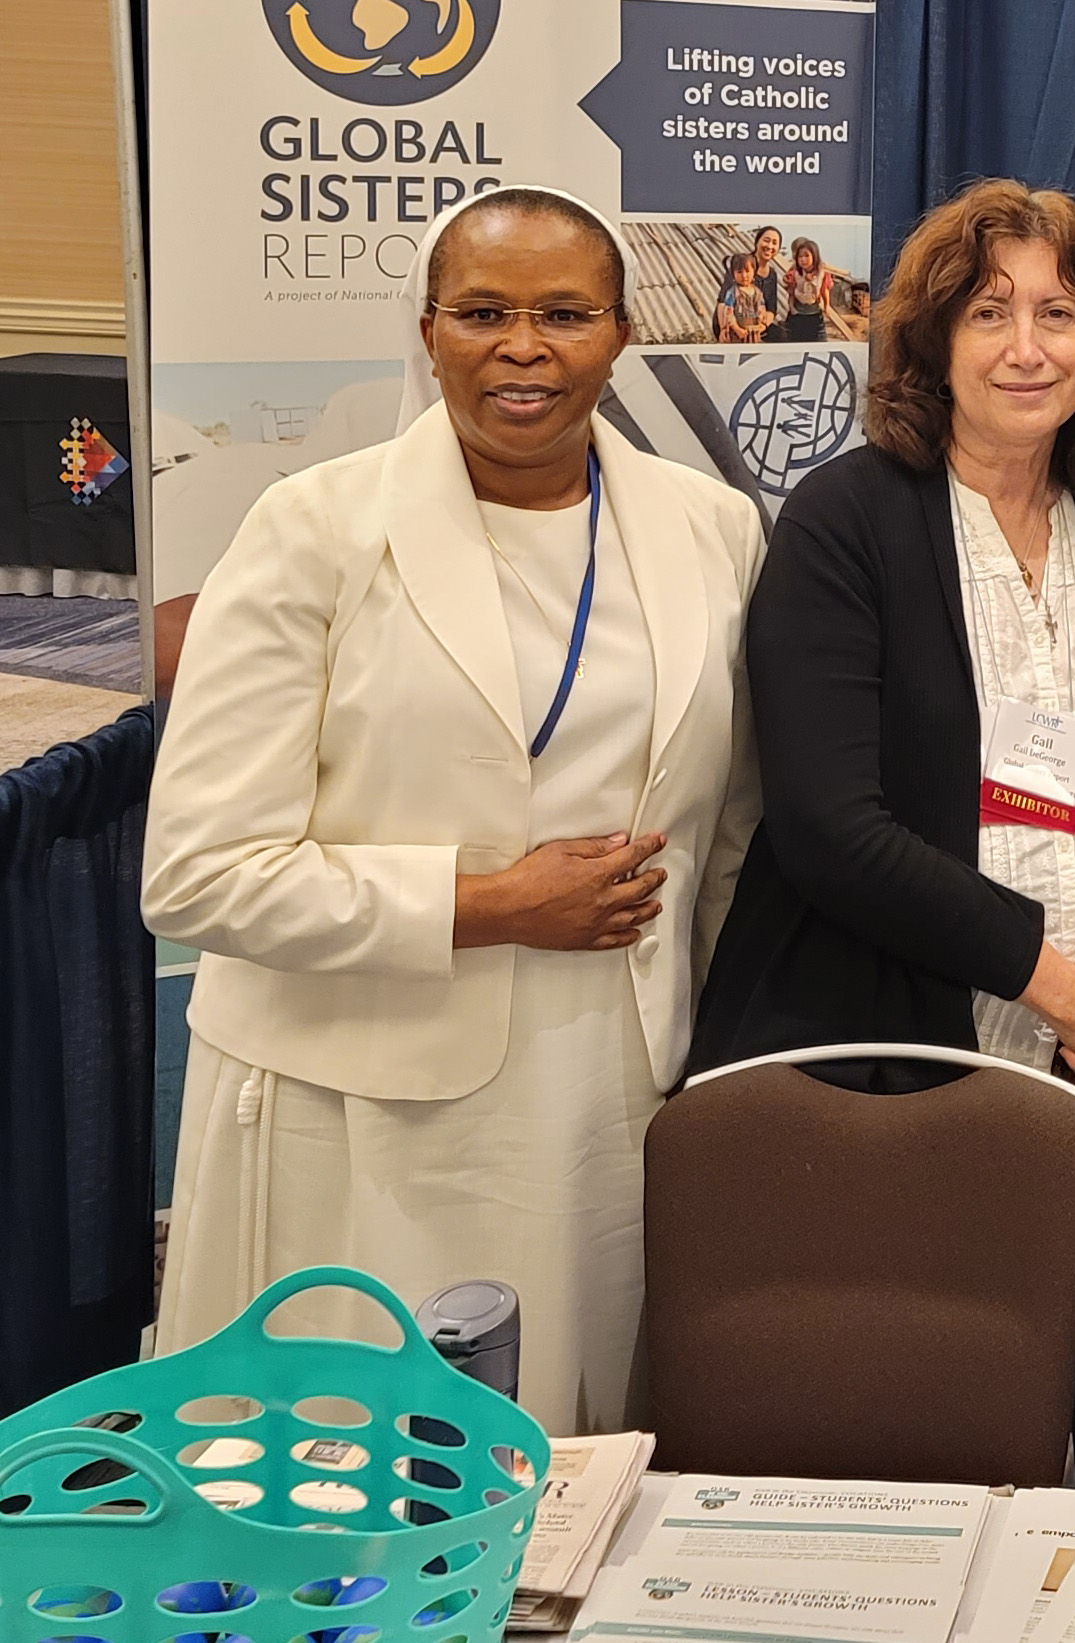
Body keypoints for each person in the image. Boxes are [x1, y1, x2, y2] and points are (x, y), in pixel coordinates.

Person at [143, 185, 766, 1433]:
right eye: (482, 311)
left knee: (559, 1458)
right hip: (353, 1101)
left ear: (622, 333)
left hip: (602, 1086)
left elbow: (731, 829)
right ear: (428, 332)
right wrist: (488, 905)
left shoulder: (713, 527)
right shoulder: (310, 529)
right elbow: (198, 872)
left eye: (562, 313)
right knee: (336, 1465)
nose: (521, 346)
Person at [687, 180, 1075, 1336]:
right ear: (929, 341)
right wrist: (1061, 990)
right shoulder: (844, 520)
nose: (1027, 347)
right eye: (987, 313)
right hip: (892, 1073)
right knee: (903, 1409)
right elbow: (832, 829)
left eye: (1057, 313)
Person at [718, 253, 771, 344]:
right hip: (736, 336)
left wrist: (761, 325)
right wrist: (737, 329)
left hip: (753, 335)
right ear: (733, 273)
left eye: (747, 271)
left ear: (754, 272)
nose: (744, 275)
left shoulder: (758, 292)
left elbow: (762, 310)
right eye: (739, 272)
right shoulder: (732, 293)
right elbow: (728, 314)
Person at [784, 236, 829, 342]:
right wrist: (788, 281)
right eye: (799, 256)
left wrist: (827, 306)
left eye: (806, 255)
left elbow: (824, 290)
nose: (803, 259)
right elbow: (787, 281)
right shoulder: (794, 270)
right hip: (797, 313)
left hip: (814, 313)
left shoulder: (822, 272)